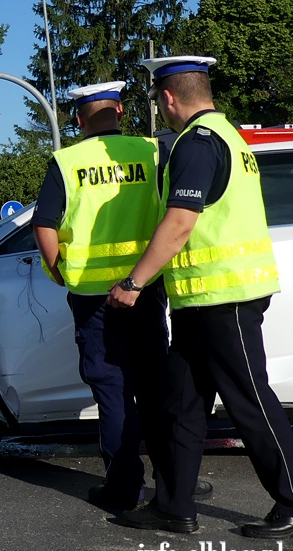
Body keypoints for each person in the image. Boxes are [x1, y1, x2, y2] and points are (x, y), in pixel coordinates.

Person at [109, 56, 293, 538]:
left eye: (157, 99)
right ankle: (173, 505)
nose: (159, 107)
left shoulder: (199, 143)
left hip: (224, 298)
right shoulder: (231, 135)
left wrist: (134, 284)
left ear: (168, 97)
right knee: (182, 405)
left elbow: (180, 223)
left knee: (250, 403)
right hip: (203, 301)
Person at [33, 81, 171, 511]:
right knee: (154, 388)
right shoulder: (151, 151)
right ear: (121, 111)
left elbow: (44, 225)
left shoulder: (67, 161)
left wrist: (61, 273)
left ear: (78, 118)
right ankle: (173, 485)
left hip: (93, 296)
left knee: (112, 391)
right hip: (144, 288)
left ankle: (124, 487)